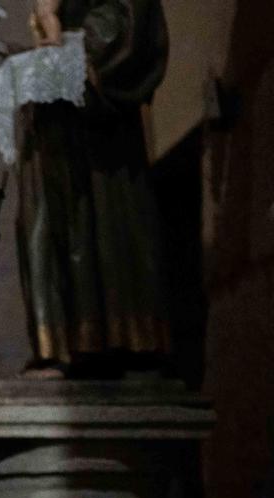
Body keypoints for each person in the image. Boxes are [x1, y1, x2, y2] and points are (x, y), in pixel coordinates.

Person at [18, 0, 173, 375]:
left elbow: (131, 17)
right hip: (54, 125)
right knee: (47, 226)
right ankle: (65, 340)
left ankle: (110, 339)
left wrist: (68, 43)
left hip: (97, 129)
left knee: (103, 221)